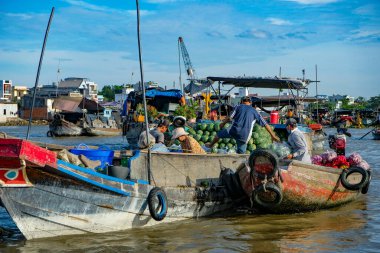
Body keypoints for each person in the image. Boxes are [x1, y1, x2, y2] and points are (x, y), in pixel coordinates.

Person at [206, 96, 280, 154]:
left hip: (234, 131)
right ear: (250, 103)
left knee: (218, 135)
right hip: (244, 135)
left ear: (241, 102)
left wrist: (223, 123)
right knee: (241, 154)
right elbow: (265, 124)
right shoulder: (255, 111)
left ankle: (210, 145)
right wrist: (272, 135)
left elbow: (229, 117)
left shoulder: (238, 107)